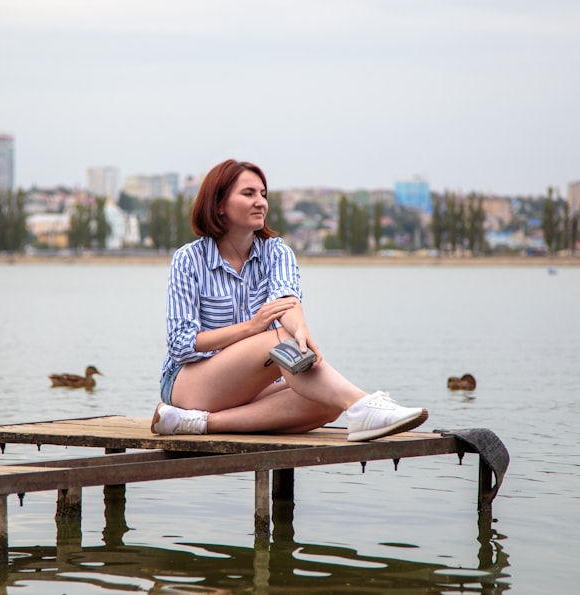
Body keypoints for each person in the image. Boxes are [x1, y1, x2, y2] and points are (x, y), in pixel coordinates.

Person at [152, 159, 429, 441]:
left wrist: (301, 331)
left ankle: (197, 424)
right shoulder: (189, 259)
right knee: (279, 338)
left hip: (252, 385)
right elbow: (180, 344)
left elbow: (286, 300)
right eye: (248, 194)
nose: (260, 202)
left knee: (326, 402)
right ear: (219, 204)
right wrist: (251, 328)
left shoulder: (277, 252)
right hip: (189, 383)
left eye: (263, 194)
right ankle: (362, 405)